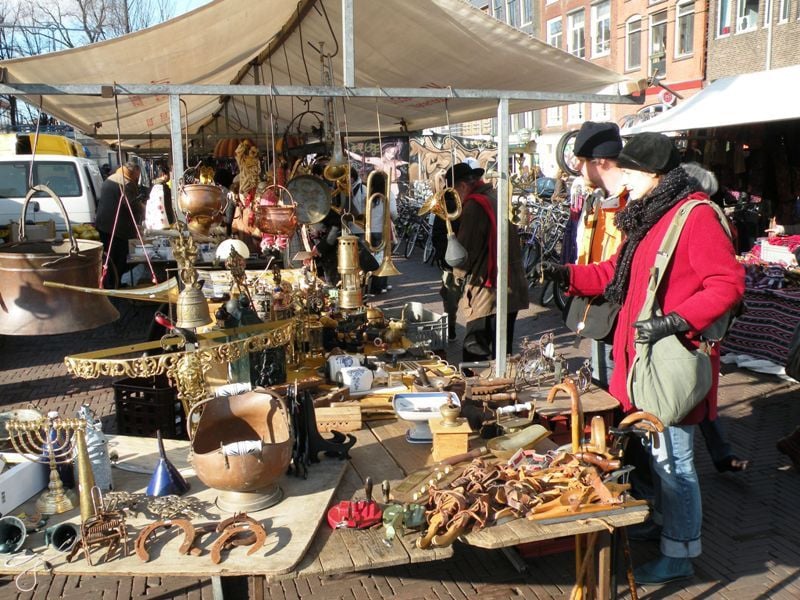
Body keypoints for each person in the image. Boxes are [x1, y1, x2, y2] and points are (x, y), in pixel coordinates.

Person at [540, 132, 744, 584]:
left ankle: (681, 550)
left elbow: (727, 284)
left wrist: (675, 321)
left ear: (653, 173)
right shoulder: (649, 214)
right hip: (639, 357)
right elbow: (616, 275)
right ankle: (665, 525)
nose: (623, 178)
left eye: (629, 171)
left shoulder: (694, 216)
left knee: (675, 462)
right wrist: (566, 272)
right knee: (657, 456)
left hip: (670, 357)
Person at [450, 162, 529, 362]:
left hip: (489, 289)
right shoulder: (495, 197)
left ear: (462, 187)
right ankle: (501, 387)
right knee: (503, 351)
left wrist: (456, 274)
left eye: (453, 192)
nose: (454, 198)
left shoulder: (474, 206)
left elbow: (465, 254)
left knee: (474, 349)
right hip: (512, 285)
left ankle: (474, 391)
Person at [569, 121, 627, 390]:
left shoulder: (631, 202)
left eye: (582, 161)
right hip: (599, 305)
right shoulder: (597, 200)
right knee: (602, 380)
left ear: (600, 161)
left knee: (618, 385)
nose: (578, 169)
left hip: (621, 310)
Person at [96, 161, 142, 288]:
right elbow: (131, 206)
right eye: (137, 176)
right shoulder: (126, 183)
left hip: (103, 226)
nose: (137, 179)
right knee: (119, 259)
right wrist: (143, 210)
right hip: (117, 229)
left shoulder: (110, 178)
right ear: (133, 173)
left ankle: (110, 283)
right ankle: (114, 284)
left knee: (108, 258)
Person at [143, 162, 175, 231]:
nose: (169, 177)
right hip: (163, 222)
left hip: (154, 222)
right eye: (169, 175)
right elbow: (167, 206)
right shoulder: (163, 188)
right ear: (163, 174)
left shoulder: (153, 186)